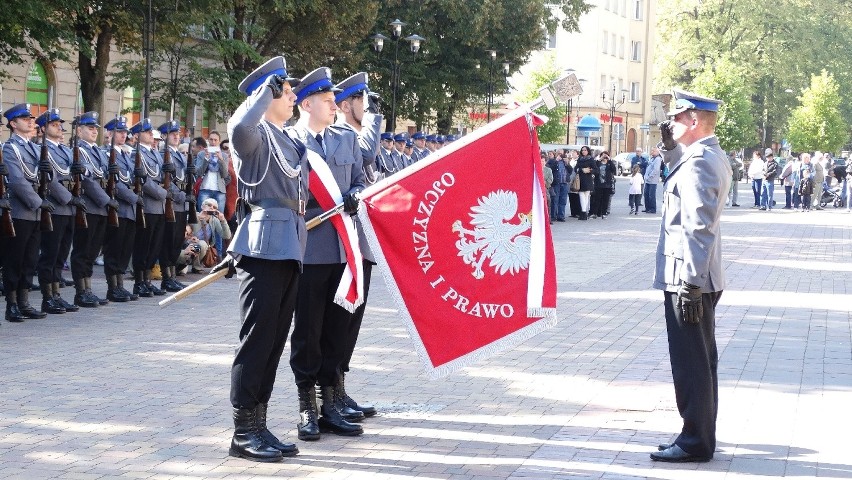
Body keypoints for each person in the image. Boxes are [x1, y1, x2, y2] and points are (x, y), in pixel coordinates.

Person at [226, 56, 307, 462]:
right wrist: (264, 93)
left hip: (290, 242)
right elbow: (239, 127)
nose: (291, 96)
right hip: (263, 245)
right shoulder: (254, 136)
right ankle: (243, 431)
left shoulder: (287, 138)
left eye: (287, 89)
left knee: (275, 340)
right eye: (285, 90)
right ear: (267, 93)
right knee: (257, 340)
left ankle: (259, 422)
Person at [651, 89, 731, 463]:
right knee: (700, 360)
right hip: (694, 275)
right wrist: (670, 148)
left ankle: (695, 442)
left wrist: (691, 284)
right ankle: (700, 433)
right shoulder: (703, 155)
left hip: (689, 277)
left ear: (694, 121)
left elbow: (699, 227)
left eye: (677, 118)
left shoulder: (701, 161)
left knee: (691, 364)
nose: (671, 123)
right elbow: (677, 181)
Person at [287, 66, 365, 441]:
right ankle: (307, 405)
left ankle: (331, 401)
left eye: (335, 100)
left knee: (338, 327)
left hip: (342, 249)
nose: (335, 105)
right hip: (310, 248)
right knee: (308, 330)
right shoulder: (289, 140)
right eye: (328, 100)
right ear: (306, 103)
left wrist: (355, 194)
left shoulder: (344, 139)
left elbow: (360, 179)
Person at [333, 72, 383, 420]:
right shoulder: (341, 134)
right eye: (363, 101)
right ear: (346, 104)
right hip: (339, 243)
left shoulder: (357, 132)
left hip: (360, 241)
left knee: (352, 320)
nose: (368, 107)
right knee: (338, 319)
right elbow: (366, 154)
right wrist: (375, 120)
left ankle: (338, 386)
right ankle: (328, 391)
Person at [3, 103, 50, 321]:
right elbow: (17, 181)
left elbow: (40, 177)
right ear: (13, 124)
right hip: (21, 210)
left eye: (31, 118)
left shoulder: (33, 147)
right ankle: (11, 304)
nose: (31, 121)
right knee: (15, 258)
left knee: (30, 258)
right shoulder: (10, 148)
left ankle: (24, 301)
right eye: (25, 118)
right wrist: (38, 202)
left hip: (35, 212)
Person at [36, 108, 83, 314]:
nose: (60, 128)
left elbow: (78, 171)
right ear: (43, 128)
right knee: (50, 254)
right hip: (55, 208)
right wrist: (68, 198)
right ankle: (48, 298)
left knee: (61, 254)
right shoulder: (41, 149)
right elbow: (50, 180)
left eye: (60, 125)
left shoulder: (65, 150)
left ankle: (56, 294)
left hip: (69, 210)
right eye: (55, 125)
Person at [72, 111, 117, 307]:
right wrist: (106, 200)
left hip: (99, 208)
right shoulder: (78, 151)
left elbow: (104, 176)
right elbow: (88, 182)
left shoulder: (98, 151)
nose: (93, 131)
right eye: (89, 128)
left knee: (92, 250)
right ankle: (81, 291)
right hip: (89, 206)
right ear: (79, 130)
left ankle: (88, 287)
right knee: (83, 250)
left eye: (95, 128)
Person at [101, 116, 142, 302]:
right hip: (118, 207)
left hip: (130, 209)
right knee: (114, 248)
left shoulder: (126, 155)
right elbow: (113, 184)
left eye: (125, 132)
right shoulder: (107, 154)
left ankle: (120, 285)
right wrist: (134, 197)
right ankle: (113, 287)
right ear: (109, 134)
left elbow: (130, 180)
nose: (124, 135)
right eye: (119, 132)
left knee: (125, 248)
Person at [130, 118, 168, 298]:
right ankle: (139, 282)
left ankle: (147, 280)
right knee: (143, 246)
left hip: (159, 207)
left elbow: (162, 177)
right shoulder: (135, 154)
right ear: (136, 136)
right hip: (147, 205)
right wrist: (163, 194)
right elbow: (142, 181)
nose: (151, 134)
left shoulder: (155, 154)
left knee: (154, 246)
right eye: (147, 132)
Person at [158, 120, 191, 293]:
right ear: (164, 136)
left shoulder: (179, 154)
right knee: (169, 241)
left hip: (181, 202)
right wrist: (179, 195)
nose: (177, 136)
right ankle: (166, 277)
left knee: (177, 241)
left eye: (178, 133)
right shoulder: (164, 153)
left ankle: (172, 276)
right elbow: (166, 180)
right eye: (172, 134)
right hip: (172, 202)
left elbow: (186, 177)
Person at [195, 130, 231, 213]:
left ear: (219, 142)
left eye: (215, 140)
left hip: (219, 191)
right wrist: (206, 159)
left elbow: (225, 174)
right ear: (208, 140)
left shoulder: (224, 155)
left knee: (219, 217)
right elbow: (199, 173)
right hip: (205, 189)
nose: (213, 142)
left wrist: (220, 159)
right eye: (211, 139)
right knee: (203, 216)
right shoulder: (201, 154)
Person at [590, 151, 616, 219]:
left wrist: (609, 160)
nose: (604, 157)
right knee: (597, 199)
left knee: (606, 199)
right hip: (598, 184)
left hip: (607, 184)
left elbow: (614, 170)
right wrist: (599, 159)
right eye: (603, 155)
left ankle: (604, 213)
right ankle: (595, 213)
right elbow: (594, 168)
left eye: (606, 155)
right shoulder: (598, 163)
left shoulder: (609, 163)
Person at [547, 152, 572, 222]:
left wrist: (567, 163)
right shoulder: (553, 161)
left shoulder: (565, 162)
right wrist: (556, 161)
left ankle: (561, 216)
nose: (560, 156)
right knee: (555, 200)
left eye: (561, 154)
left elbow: (571, 170)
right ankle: (553, 216)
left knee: (563, 200)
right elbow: (550, 169)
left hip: (565, 183)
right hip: (556, 183)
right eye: (559, 154)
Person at [575, 146, 596, 220]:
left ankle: (584, 213)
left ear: (588, 151)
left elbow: (596, 170)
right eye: (582, 150)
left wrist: (589, 170)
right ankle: (584, 212)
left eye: (585, 150)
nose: (583, 151)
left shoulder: (591, 159)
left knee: (586, 196)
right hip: (580, 179)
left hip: (588, 179)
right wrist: (581, 169)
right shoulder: (580, 159)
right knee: (581, 195)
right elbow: (576, 169)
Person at [643, 147, 662, 213]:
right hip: (647, 180)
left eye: (653, 151)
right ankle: (647, 208)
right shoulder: (652, 158)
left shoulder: (658, 159)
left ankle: (653, 209)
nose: (652, 152)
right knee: (646, 194)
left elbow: (656, 170)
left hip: (652, 180)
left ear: (657, 152)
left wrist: (650, 177)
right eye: (651, 151)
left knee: (651, 195)